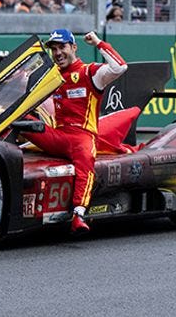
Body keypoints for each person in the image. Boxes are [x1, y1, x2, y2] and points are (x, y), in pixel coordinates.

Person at [22, 29, 127, 235]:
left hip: (82, 137)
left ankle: (79, 214)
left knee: (86, 161)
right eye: (53, 49)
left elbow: (120, 67)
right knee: (20, 121)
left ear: (74, 47)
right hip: (57, 136)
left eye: (62, 47)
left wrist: (98, 42)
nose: (58, 53)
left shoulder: (90, 72)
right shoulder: (51, 76)